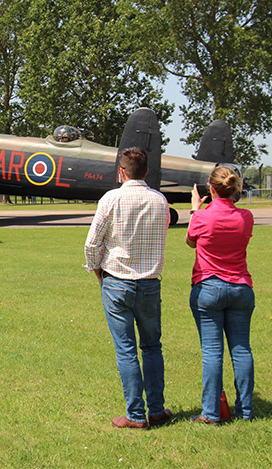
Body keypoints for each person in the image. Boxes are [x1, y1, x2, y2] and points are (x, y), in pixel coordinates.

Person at [83, 147, 171, 429]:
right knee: (152, 347)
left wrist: (97, 270)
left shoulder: (112, 198)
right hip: (149, 283)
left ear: (121, 172)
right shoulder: (160, 200)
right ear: (146, 171)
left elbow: (92, 243)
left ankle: (135, 414)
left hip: (117, 281)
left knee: (126, 350)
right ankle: (156, 409)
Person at [186, 166, 255, 424]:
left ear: (210, 188)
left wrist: (195, 209)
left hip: (209, 286)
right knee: (241, 350)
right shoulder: (246, 216)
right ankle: (245, 411)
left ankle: (212, 413)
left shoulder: (203, 216)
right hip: (240, 287)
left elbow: (191, 240)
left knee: (212, 353)